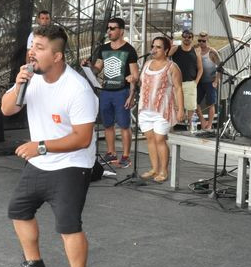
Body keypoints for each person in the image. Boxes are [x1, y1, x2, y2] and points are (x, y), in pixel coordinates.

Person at [0, 26, 98, 267]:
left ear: (57, 56)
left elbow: (83, 138)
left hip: (72, 162)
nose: (32, 51)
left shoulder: (77, 88)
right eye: (33, 45)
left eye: (40, 47)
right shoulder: (30, 78)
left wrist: (40, 146)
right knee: (18, 209)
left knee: (68, 225)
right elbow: (7, 109)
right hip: (40, 160)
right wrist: (18, 85)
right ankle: (34, 263)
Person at [81, 17, 139, 168]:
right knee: (107, 124)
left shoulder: (129, 50)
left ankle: (126, 156)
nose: (109, 31)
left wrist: (132, 95)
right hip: (106, 91)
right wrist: (89, 66)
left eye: (113, 28)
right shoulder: (104, 48)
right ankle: (111, 153)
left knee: (124, 125)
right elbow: (97, 69)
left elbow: (135, 75)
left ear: (121, 31)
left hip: (122, 92)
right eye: (108, 28)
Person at [138, 36, 183, 183]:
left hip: (162, 109)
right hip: (145, 108)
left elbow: (178, 89)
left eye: (158, 47)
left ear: (166, 50)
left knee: (160, 139)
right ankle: (154, 168)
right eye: (153, 46)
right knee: (150, 139)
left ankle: (164, 171)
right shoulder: (146, 64)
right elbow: (142, 84)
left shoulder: (172, 67)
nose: (154, 49)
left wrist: (181, 109)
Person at [169, 29, 202, 128]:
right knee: (176, 107)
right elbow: (164, 57)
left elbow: (200, 69)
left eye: (189, 37)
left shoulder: (196, 51)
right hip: (176, 83)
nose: (186, 39)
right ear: (182, 37)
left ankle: (190, 128)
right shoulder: (176, 49)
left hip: (190, 83)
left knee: (191, 107)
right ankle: (173, 128)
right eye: (185, 36)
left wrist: (195, 82)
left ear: (192, 39)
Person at [195, 32, 221, 130]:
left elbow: (220, 67)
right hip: (200, 81)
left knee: (211, 103)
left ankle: (209, 124)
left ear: (207, 41)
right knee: (195, 102)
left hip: (210, 81)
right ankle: (202, 119)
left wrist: (216, 80)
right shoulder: (196, 50)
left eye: (203, 41)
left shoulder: (212, 52)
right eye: (199, 41)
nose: (201, 43)